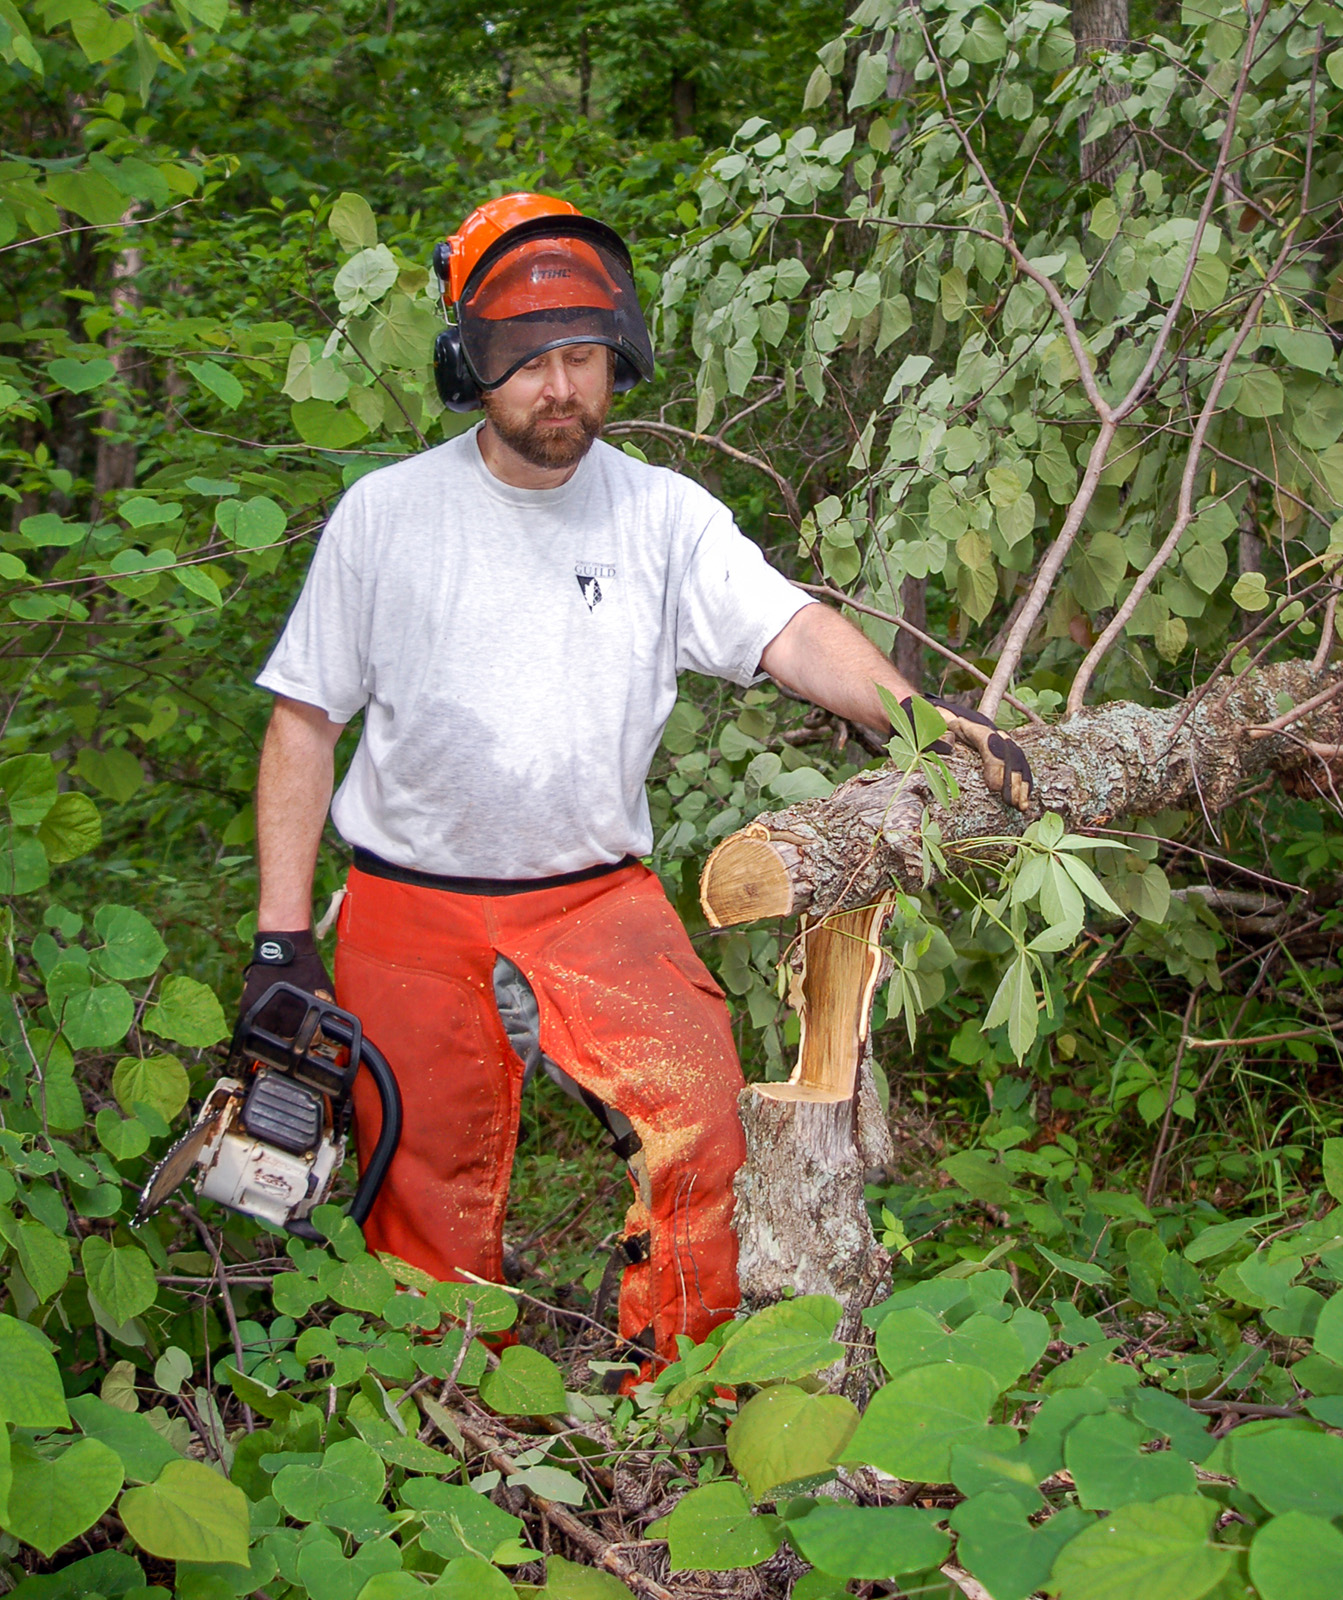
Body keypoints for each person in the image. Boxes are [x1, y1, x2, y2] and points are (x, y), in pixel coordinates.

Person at [242, 192, 1028, 1372]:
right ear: (470, 360)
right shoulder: (387, 518)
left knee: (701, 1121)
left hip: (595, 895)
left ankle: (681, 1387)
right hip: (412, 900)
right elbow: (303, 723)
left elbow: (791, 629)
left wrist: (915, 714)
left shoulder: (662, 515)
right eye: (528, 359)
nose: (561, 388)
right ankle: (446, 1421)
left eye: (583, 356)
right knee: (424, 1185)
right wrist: (280, 937)